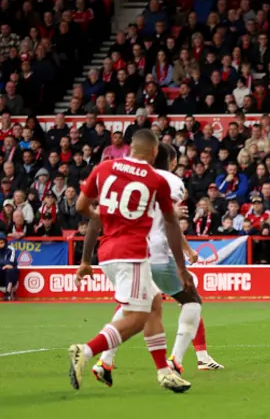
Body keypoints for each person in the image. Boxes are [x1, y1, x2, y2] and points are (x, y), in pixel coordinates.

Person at [90, 143, 223, 386]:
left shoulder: (134, 179)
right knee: (192, 301)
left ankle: (104, 361)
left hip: (135, 252)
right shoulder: (171, 182)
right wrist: (183, 261)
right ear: (171, 160)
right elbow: (169, 221)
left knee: (134, 306)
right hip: (160, 254)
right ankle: (176, 360)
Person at [70, 129, 192, 393]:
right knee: (137, 317)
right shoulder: (155, 179)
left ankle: (164, 372)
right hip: (132, 253)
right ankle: (87, 351)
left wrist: (89, 250)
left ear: (129, 148)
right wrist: (182, 268)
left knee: (155, 304)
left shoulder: (105, 167)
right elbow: (172, 224)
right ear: (155, 152)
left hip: (108, 252)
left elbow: (81, 208)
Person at [0, 232, 18, 301]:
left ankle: (8, 293)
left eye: (1, 242)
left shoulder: (11, 249)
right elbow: (7, 263)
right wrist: (4, 265)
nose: (0, 244)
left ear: (5, 241)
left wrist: (8, 265)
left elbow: (12, 262)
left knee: (10, 270)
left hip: (11, 274)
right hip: (1, 271)